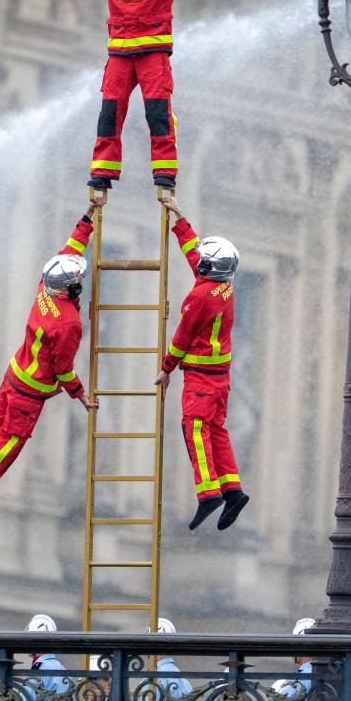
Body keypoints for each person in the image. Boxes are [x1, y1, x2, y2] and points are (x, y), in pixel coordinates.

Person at [15, 0, 254, 191]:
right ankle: (103, 172)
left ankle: (164, 172)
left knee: (158, 113)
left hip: (153, 53)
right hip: (119, 55)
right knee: (109, 115)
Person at [0, 207, 101, 524]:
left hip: (16, 372)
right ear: (71, 288)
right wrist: (80, 394)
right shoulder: (70, 323)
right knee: (9, 443)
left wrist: (86, 223)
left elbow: (67, 252)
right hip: (30, 391)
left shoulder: (46, 287)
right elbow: (63, 368)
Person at [154, 196, 246, 531]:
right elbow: (196, 254)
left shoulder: (200, 296)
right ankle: (233, 489)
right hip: (219, 378)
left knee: (193, 429)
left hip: (201, 377)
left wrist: (166, 368)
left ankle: (208, 493)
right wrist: (180, 219)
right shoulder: (223, 286)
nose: (200, 262)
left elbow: (182, 335)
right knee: (216, 430)